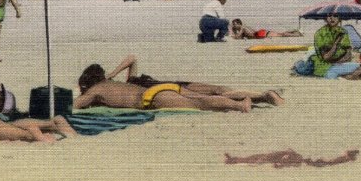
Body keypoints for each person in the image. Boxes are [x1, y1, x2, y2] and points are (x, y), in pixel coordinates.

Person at [103, 54, 285, 105]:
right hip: (176, 87)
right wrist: (113, 73)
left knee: (218, 93)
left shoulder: (129, 85)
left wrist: (112, 74)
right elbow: (131, 58)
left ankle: (262, 97)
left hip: (172, 89)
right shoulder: (130, 83)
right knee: (219, 91)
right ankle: (262, 96)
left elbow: (132, 58)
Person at [75, 63, 253, 112]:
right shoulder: (113, 83)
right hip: (164, 88)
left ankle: (239, 106)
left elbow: (75, 105)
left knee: (199, 103)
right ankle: (241, 99)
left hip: (152, 98)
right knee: (198, 97)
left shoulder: (95, 91)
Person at [311, 13, 361, 79]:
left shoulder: (343, 31)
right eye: (329, 16)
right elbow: (326, 57)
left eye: (335, 16)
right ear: (325, 18)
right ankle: (343, 77)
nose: (332, 18)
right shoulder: (320, 33)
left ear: (339, 18)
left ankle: (344, 77)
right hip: (325, 66)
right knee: (331, 75)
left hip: (339, 64)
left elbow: (348, 53)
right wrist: (336, 43)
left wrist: (342, 60)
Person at [230, 19, 302, 39]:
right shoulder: (245, 27)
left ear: (239, 24)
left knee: (281, 34)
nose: (234, 26)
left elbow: (237, 37)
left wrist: (232, 31)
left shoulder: (243, 28)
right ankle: (295, 30)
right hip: (260, 33)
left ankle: (297, 35)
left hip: (260, 34)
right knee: (281, 33)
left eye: (235, 24)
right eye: (233, 25)